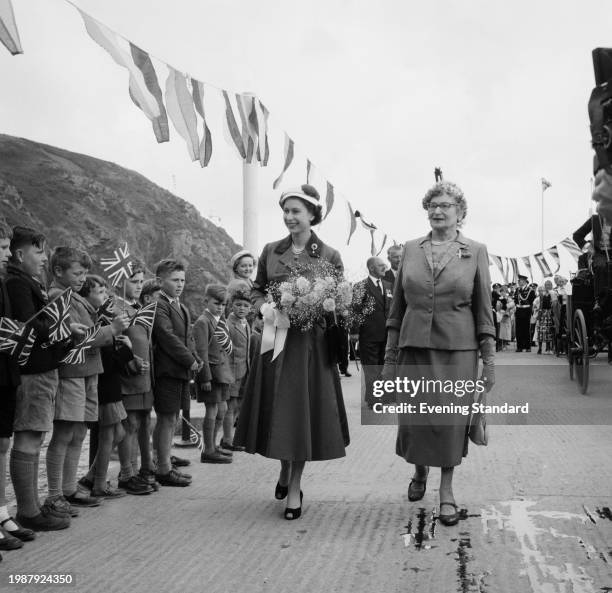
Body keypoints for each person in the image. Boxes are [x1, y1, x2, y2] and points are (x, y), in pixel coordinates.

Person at [234, 184, 350, 521]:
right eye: (286, 211)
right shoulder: (271, 250)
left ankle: (295, 484)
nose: (289, 217)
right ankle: (284, 469)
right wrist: (265, 309)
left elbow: (341, 302)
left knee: (300, 415)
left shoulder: (329, 256)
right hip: (275, 342)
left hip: (309, 348)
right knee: (279, 411)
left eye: (296, 211)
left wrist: (322, 308)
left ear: (313, 214)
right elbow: (255, 290)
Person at [382, 180, 495, 526]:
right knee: (415, 422)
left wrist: (489, 360)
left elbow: (484, 308)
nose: (438, 210)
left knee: (449, 423)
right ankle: (419, 472)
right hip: (413, 348)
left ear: (460, 213)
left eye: (446, 205)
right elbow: (397, 309)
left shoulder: (475, 250)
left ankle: (446, 492)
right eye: (432, 205)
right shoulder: (411, 249)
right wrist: (388, 359)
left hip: (458, 351)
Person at [7, 227, 81, 531]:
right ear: (20, 254)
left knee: (35, 435)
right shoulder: (17, 283)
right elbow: (30, 324)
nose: (44, 258)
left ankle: (32, 507)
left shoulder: (27, 281)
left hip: (43, 369)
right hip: (33, 371)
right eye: (38, 252)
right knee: (28, 435)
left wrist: (61, 327)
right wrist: (59, 326)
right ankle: (28, 510)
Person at [46, 247, 129, 514]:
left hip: (88, 372)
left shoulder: (72, 297)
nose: (83, 278)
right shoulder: (59, 297)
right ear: (58, 271)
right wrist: (112, 329)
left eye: (84, 273)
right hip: (72, 373)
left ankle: (69, 488)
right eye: (77, 273)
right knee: (64, 433)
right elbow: (77, 338)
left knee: (78, 433)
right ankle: (56, 493)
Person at [77, 275, 132, 499]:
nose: (105, 295)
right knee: (109, 434)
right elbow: (107, 363)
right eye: (99, 292)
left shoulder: (101, 322)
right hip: (106, 387)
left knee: (118, 431)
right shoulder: (99, 324)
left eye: (105, 291)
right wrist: (126, 350)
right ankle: (99, 483)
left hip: (111, 387)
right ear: (86, 295)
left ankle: (92, 476)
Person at [0, 222, 34, 550]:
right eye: (0, 247)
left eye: (6, 247)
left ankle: (1, 511)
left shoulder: (2, 283)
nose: (5, 254)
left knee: (1, 444)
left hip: (6, 371)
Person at [152, 259, 200, 486]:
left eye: (182, 280)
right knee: (166, 418)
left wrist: (196, 358)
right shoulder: (159, 305)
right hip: (167, 371)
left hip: (179, 370)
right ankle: (162, 468)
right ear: (160, 281)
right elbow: (167, 337)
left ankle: (164, 462)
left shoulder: (180, 305)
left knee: (172, 418)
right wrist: (189, 360)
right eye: (175, 280)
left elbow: (187, 337)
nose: (180, 284)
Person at [114, 264, 156, 495]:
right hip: (129, 375)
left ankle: (139, 469)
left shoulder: (141, 307)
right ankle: (126, 473)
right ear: (121, 282)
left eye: (141, 281)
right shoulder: (116, 307)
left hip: (144, 377)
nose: (139, 285)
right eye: (133, 281)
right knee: (128, 425)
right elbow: (118, 342)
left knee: (141, 423)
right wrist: (132, 363)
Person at [193, 284, 233, 464]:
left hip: (222, 373)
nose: (220, 307)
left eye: (224, 304)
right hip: (211, 374)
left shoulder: (219, 320)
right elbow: (201, 352)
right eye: (217, 303)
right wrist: (205, 377)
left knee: (222, 409)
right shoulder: (203, 321)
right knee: (212, 410)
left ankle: (214, 445)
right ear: (206, 301)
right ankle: (207, 450)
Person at [351, 256, 393, 408]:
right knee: (371, 368)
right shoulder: (361, 286)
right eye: (381, 265)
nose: (385, 268)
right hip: (368, 334)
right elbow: (355, 310)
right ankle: (374, 399)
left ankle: (383, 395)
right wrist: (354, 331)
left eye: (385, 265)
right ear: (372, 268)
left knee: (383, 367)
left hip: (386, 334)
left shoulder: (389, 285)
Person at [223, 289, 252, 451]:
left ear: (250, 308)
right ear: (231, 306)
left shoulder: (246, 323)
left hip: (244, 371)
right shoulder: (229, 324)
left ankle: (233, 437)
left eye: (245, 306)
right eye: (238, 305)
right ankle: (227, 439)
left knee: (239, 405)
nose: (241, 308)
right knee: (230, 406)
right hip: (232, 372)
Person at [513, 275, 535, 352]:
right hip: (519, 310)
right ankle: (519, 347)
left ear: (525, 281)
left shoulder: (530, 290)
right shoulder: (517, 290)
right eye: (519, 281)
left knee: (526, 329)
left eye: (521, 280)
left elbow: (532, 300)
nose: (519, 282)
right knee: (518, 329)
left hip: (526, 310)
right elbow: (515, 300)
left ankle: (527, 347)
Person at [536, 280, 555, 354]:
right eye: (547, 285)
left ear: (551, 286)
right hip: (543, 313)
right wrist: (538, 317)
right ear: (545, 286)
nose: (548, 286)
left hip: (550, 313)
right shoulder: (542, 295)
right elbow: (540, 306)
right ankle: (540, 348)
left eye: (549, 285)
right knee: (540, 331)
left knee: (549, 331)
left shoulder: (553, 293)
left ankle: (548, 348)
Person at [496, 286, 514, 350]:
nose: (502, 293)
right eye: (501, 292)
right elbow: (497, 308)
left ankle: (505, 344)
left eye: (504, 291)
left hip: (507, 315)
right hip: (500, 315)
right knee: (500, 330)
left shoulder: (509, 298)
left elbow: (512, 306)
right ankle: (500, 344)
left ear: (506, 292)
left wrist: (508, 311)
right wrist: (499, 306)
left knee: (506, 330)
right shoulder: (499, 299)